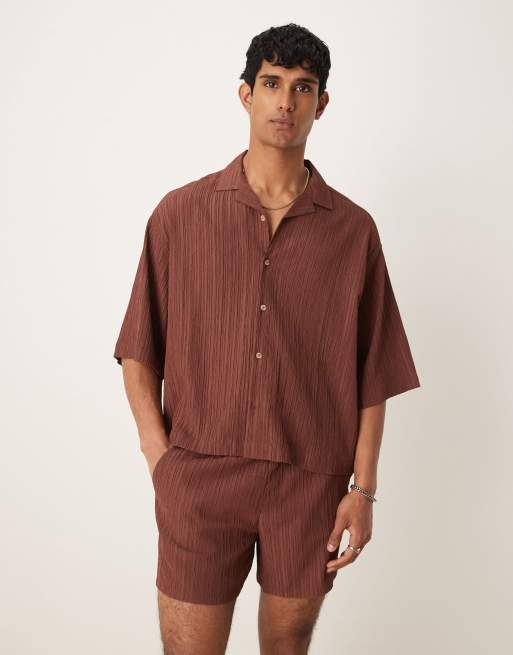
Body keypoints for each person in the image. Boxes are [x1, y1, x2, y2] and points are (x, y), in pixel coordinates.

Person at [113, 22, 420, 655]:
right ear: (246, 94)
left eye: (302, 88)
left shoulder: (353, 231)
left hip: (310, 483)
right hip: (199, 477)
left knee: (288, 647)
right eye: (273, 83)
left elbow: (374, 369)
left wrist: (362, 490)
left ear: (321, 104)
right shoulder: (181, 214)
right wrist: (160, 459)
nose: (286, 101)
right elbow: (140, 345)